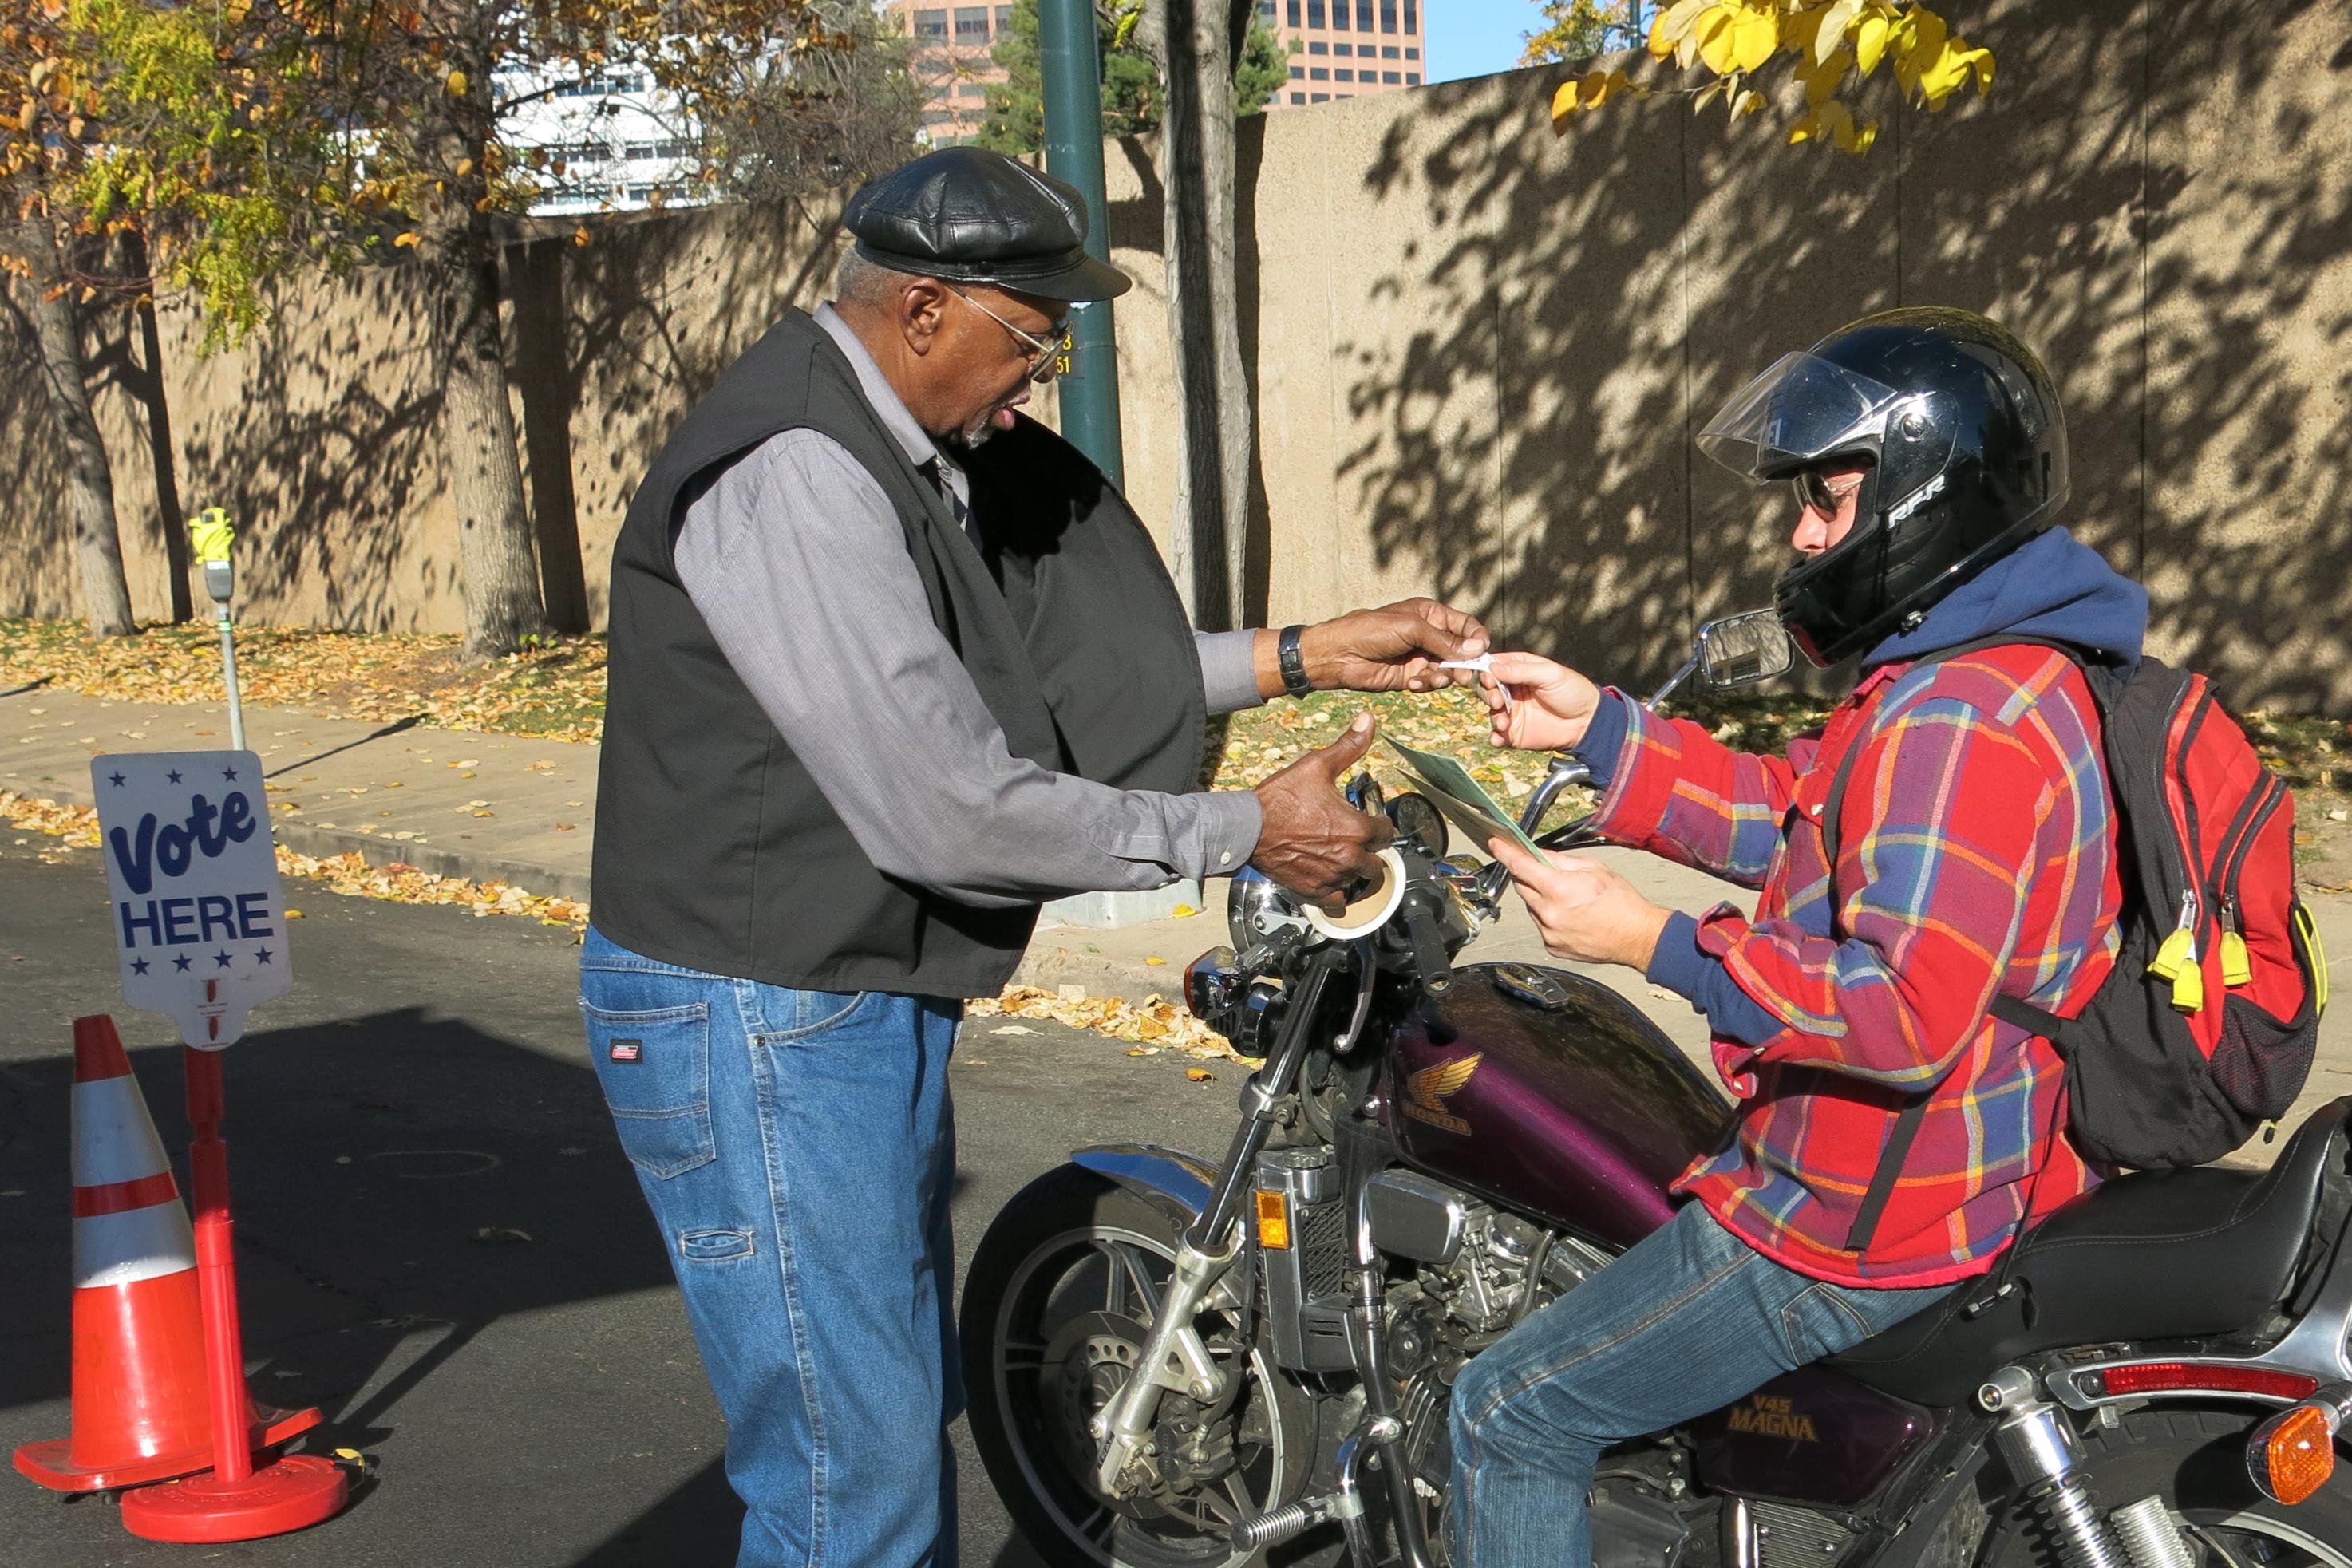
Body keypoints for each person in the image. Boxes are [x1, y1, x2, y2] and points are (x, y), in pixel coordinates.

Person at [583, 145, 1488, 1567]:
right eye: (1031, 332)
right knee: (848, 1474)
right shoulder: (799, 473)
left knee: (878, 1428)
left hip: (828, 998)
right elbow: (952, 805)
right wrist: (1250, 826)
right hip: (755, 1014)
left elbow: (1056, 678)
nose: (1043, 370)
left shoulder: (898, 447)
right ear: (925, 309)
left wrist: (1302, 653)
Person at [1449, 309, 2150, 1566]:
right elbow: (1809, 823)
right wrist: (1605, 732)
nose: (1801, 536)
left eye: (1829, 501)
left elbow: (1901, 1012)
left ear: (1928, 498)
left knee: (1509, 1410)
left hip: (1863, 1212)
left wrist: (1655, 943)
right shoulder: (1996, 662)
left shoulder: (1960, 719)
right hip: (1969, 1167)